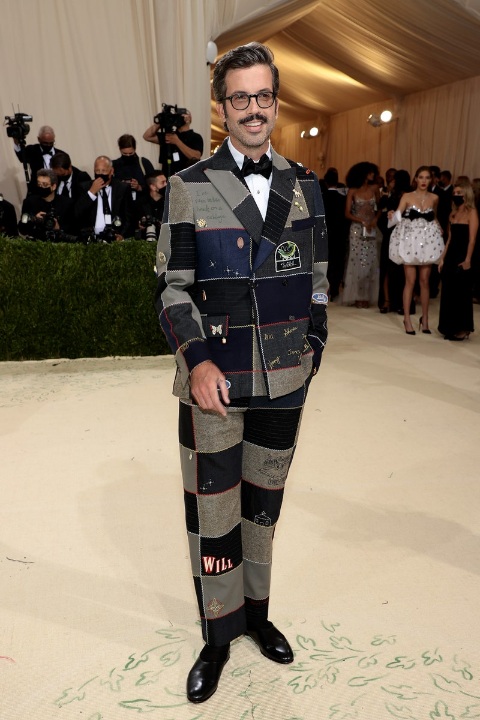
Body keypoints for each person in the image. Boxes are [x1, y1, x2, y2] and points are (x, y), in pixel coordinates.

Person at [154, 41, 328, 704]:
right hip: (216, 382)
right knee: (215, 512)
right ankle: (218, 634)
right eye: (239, 98)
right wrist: (196, 361)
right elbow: (172, 288)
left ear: (276, 103)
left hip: (285, 379)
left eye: (263, 96)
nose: (253, 108)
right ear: (222, 108)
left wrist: (312, 349)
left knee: (263, 508)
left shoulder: (305, 183)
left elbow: (318, 281)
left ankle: (257, 614)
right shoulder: (189, 185)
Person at [389, 166, 444, 334]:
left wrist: (439, 226)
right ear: (416, 179)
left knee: (425, 281)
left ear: (431, 180)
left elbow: (433, 216)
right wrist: (392, 214)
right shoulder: (407, 196)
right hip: (410, 241)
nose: (424, 181)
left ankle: (425, 319)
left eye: (427, 177)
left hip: (428, 241)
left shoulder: (435, 197)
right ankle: (407, 318)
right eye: (421, 177)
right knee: (410, 281)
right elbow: (398, 215)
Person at [438, 181, 478, 340]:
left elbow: (472, 240)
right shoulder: (452, 214)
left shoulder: (472, 212)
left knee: (462, 292)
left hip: (463, 255)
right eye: (454, 193)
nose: (456, 195)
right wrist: (442, 258)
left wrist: (468, 259)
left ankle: (463, 328)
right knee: (448, 291)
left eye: (459, 193)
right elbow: (449, 239)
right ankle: (449, 326)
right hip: (451, 255)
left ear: (466, 194)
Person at [342, 161, 381, 308]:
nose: (372, 175)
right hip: (357, 229)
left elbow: (380, 208)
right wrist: (362, 221)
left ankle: (368, 296)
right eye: (370, 172)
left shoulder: (375, 189)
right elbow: (347, 213)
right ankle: (357, 296)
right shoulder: (352, 191)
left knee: (371, 261)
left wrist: (375, 220)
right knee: (356, 261)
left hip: (371, 229)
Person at [75, 156, 135, 241]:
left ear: (111, 171)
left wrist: (122, 235)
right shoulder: (84, 187)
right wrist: (91, 192)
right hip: (91, 238)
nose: (100, 174)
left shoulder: (122, 188)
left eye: (104, 171)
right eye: (97, 171)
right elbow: (77, 213)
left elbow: (129, 216)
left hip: (115, 237)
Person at [143, 110, 203, 177]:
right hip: (167, 175)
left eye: (183, 116)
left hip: (187, 176)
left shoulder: (195, 137)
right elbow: (147, 136)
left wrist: (177, 141)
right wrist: (162, 120)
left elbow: (196, 156)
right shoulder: (169, 135)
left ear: (189, 118)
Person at [19, 168, 74, 240]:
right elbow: (22, 229)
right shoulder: (29, 202)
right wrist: (33, 220)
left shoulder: (67, 203)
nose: (41, 187)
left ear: (53, 186)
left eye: (44, 184)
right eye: (39, 184)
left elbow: (73, 230)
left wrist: (58, 228)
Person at [13, 125, 66, 194]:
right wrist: (16, 141)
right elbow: (21, 157)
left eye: (51, 143)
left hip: (57, 191)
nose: (48, 145)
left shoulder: (61, 154)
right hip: (37, 190)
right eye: (45, 143)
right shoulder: (32, 150)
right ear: (39, 139)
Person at [321, 167, 348, 301]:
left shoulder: (321, 198)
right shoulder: (343, 199)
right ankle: (335, 289)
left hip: (324, 235)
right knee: (338, 261)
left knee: (325, 262)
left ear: (326, 182)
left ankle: (325, 289)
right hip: (339, 235)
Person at [137, 171, 167, 239]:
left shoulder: (171, 202)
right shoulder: (140, 203)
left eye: (166, 181)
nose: (166, 185)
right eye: (163, 182)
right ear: (153, 187)